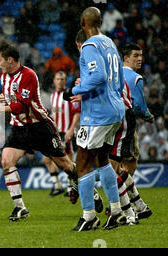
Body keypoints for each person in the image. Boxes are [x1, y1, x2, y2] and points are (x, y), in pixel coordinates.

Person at [0, 43, 80, 222]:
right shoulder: (4, 76)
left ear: (10, 60)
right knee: (6, 160)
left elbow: (23, 106)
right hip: (19, 128)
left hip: (40, 127)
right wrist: (5, 99)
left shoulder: (28, 75)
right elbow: (13, 100)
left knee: (65, 164)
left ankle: (86, 187)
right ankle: (20, 208)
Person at [64, 7, 125, 231]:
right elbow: (115, 79)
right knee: (102, 160)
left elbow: (98, 76)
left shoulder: (89, 45)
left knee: (82, 163)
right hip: (115, 108)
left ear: (83, 23)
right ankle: (117, 210)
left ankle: (89, 216)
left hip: (97, 114)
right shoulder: (109, 43)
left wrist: (75, 89)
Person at [107, 43, 155, 221]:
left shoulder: (112, 73)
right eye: (135, 55)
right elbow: (139, 107)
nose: (140, 58)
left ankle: (126, 205)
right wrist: (150, 117)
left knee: (115, 166)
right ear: (125, 58)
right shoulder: (135, 77)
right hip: (126, 124)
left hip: (111, 124)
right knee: (127, 164)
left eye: (141, 55)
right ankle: (131, 205)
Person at [43, 71, 81, 196]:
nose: (59, 81)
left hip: (66, 131)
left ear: (65, 81)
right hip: (55, 132)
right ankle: (58, 186)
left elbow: (76, 112)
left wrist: (71, 129)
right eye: (57, 79)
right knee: (47, 159)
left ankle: (71, 187)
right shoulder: (53, 96)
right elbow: (54, 114)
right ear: (54, 81)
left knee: (68, 158)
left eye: (62, 79)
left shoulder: (69, 94)